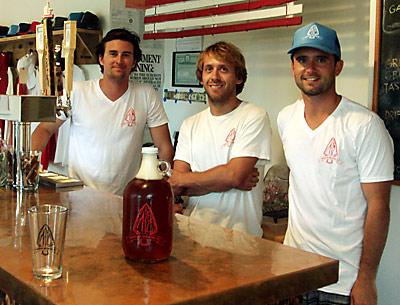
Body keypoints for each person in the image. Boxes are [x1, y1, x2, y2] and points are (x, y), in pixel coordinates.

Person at [278, 22, 394, 305]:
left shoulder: (364, 126)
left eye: (321, 59)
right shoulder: (286, 119)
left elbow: (379, 206)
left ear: (337, 66)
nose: (310, 68)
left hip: (342, 282)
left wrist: (366, 278)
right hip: (294, 272)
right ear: (293, 66)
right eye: (302, 59)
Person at [32, 28, 174, 195]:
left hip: (125, 197)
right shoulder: (75, 91)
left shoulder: (146, 94)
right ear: (101, 59)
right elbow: (45, 128)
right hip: (79, 195)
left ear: (134, 62)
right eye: (113, 54)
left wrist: (163, 184)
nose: (119, 60)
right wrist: (29, 164)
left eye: (126, 55)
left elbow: (164, 146)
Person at [169, 41, 272, 237]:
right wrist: (226, 180)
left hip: (241, 240)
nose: (215, 76)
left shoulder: (254, 116)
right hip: (194, 235)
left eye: (223, 69)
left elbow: (234, 175)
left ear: (239, 77)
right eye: (209, 69)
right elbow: (177, 185)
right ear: (201, 77)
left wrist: (229, 178)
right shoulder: (190, 124)